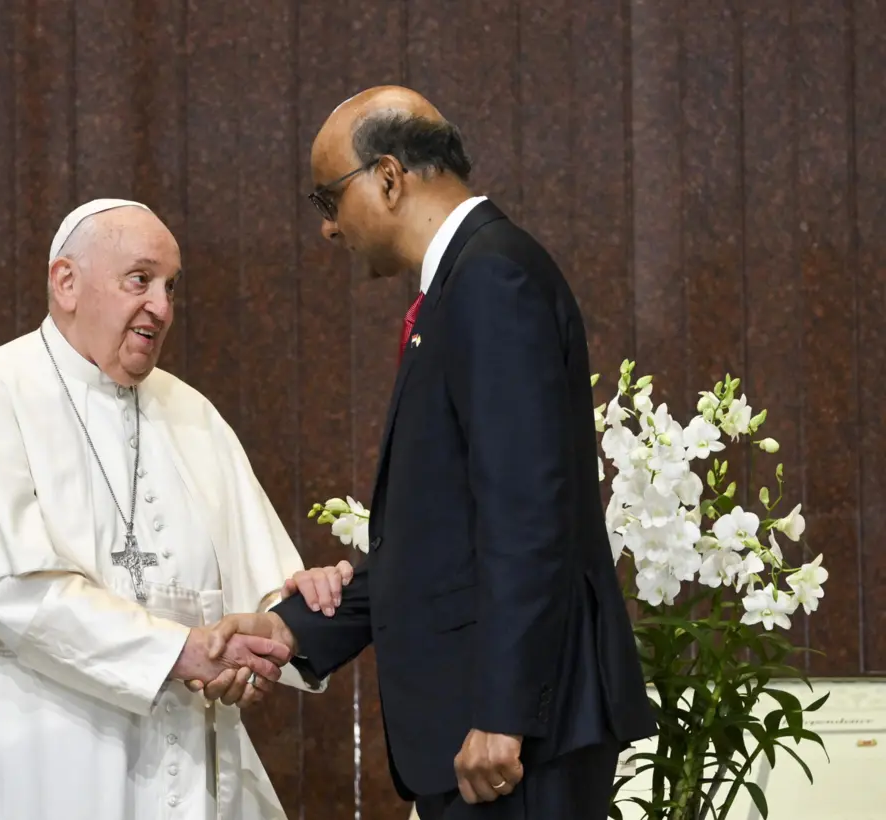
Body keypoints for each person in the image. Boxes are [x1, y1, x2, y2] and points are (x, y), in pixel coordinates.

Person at [260, 87, 658, 818]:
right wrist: (291, 629)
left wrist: (504, 715)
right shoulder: (463, 282)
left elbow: (527, 513)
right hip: (495, 733)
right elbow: (445, 543)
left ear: (388, 177)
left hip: (515, 742)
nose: (327, 229)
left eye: (328, 199)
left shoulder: (490, 278)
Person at [0, 199, 324, 820]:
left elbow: (263, 586)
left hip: (185, 749)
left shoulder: (193, 413)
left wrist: (280, 628)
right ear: (66, 283)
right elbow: (9, 594)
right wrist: (180, 652)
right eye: (140, 280)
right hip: (24, 749)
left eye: (170, 287)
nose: (161, 307)